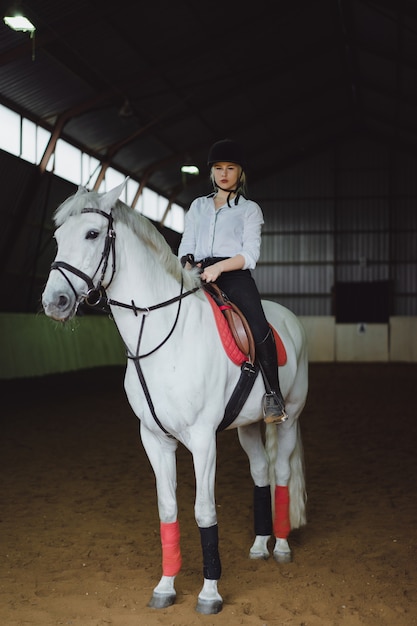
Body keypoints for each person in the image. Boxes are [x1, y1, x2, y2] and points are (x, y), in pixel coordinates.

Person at [178, 138, 287, 424]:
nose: (223, 173)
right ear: (211, 172)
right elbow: (185, 244)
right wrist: (187, 263)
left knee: (259, 325)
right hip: (197, 273)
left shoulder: (249, 209)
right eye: (218, 168)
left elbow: (250, 254)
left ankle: (273, 394)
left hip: (234, 275)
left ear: (240, 172)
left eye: (230, 168)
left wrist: (220, 268)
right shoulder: (197, 207)